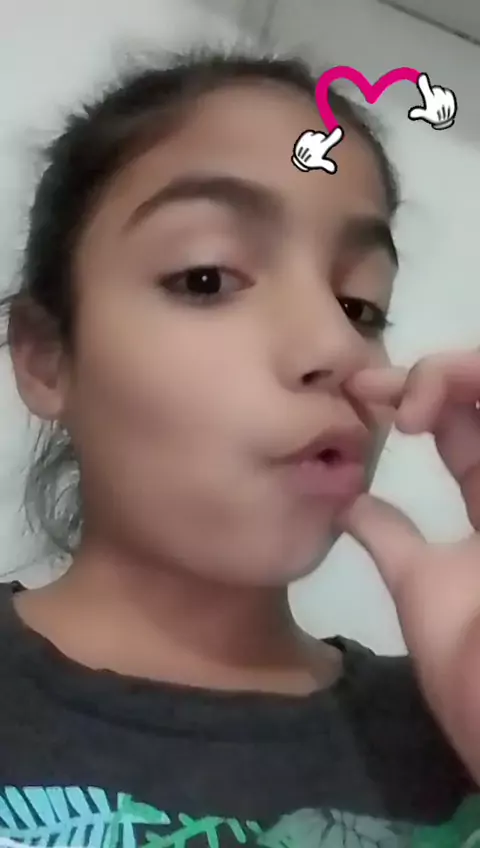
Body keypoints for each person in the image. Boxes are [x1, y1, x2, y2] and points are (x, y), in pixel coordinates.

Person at [0, 48, 479, 847]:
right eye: (207, 280)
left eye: (359, 304)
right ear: (47, 357)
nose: (335, 343)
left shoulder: (455, 721)